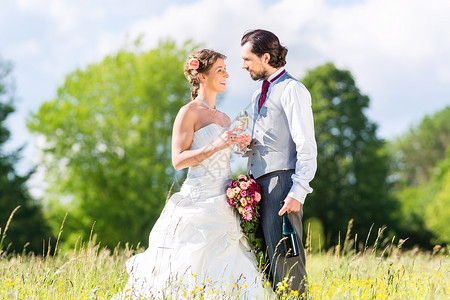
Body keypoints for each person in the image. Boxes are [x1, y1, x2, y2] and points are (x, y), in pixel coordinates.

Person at [115, 49, 267, 299]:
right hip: (198, 199)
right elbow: (178, 160)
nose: (227, 74)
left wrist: (243, 143)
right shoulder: (188, 112)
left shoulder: (225, 117)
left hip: (225, 202)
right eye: (220, 70)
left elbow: (225, 156)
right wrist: (217, 144)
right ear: (203, 77)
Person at [240, 29, 317, 295]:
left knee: (286, 260)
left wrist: (298, 191)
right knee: (264, 262)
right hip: (257, 185)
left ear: (265, 57)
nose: (243, 66)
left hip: (282, 183)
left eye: (247, 59)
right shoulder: (256, 95)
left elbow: (306, 144)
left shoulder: (292, 89)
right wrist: (245, 145)